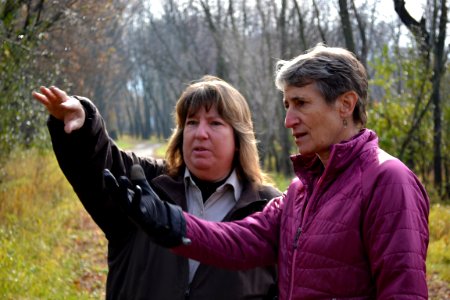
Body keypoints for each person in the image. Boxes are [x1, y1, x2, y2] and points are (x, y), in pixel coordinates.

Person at [106, 44, 430, 299]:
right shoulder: (301, 191)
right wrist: (168, 221)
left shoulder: (388, 180)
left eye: (301, 103)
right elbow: (241, 239)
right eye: (287, 105)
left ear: (345, 104)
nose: (289, 120)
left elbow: (404, 291)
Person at [32, 75, 281, 299]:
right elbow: (99, 163)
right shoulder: (148, 182)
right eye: (192, 122)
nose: (200, 133)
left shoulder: (269, 208)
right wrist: (84, 122)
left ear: (239, 139)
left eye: (215, 123)